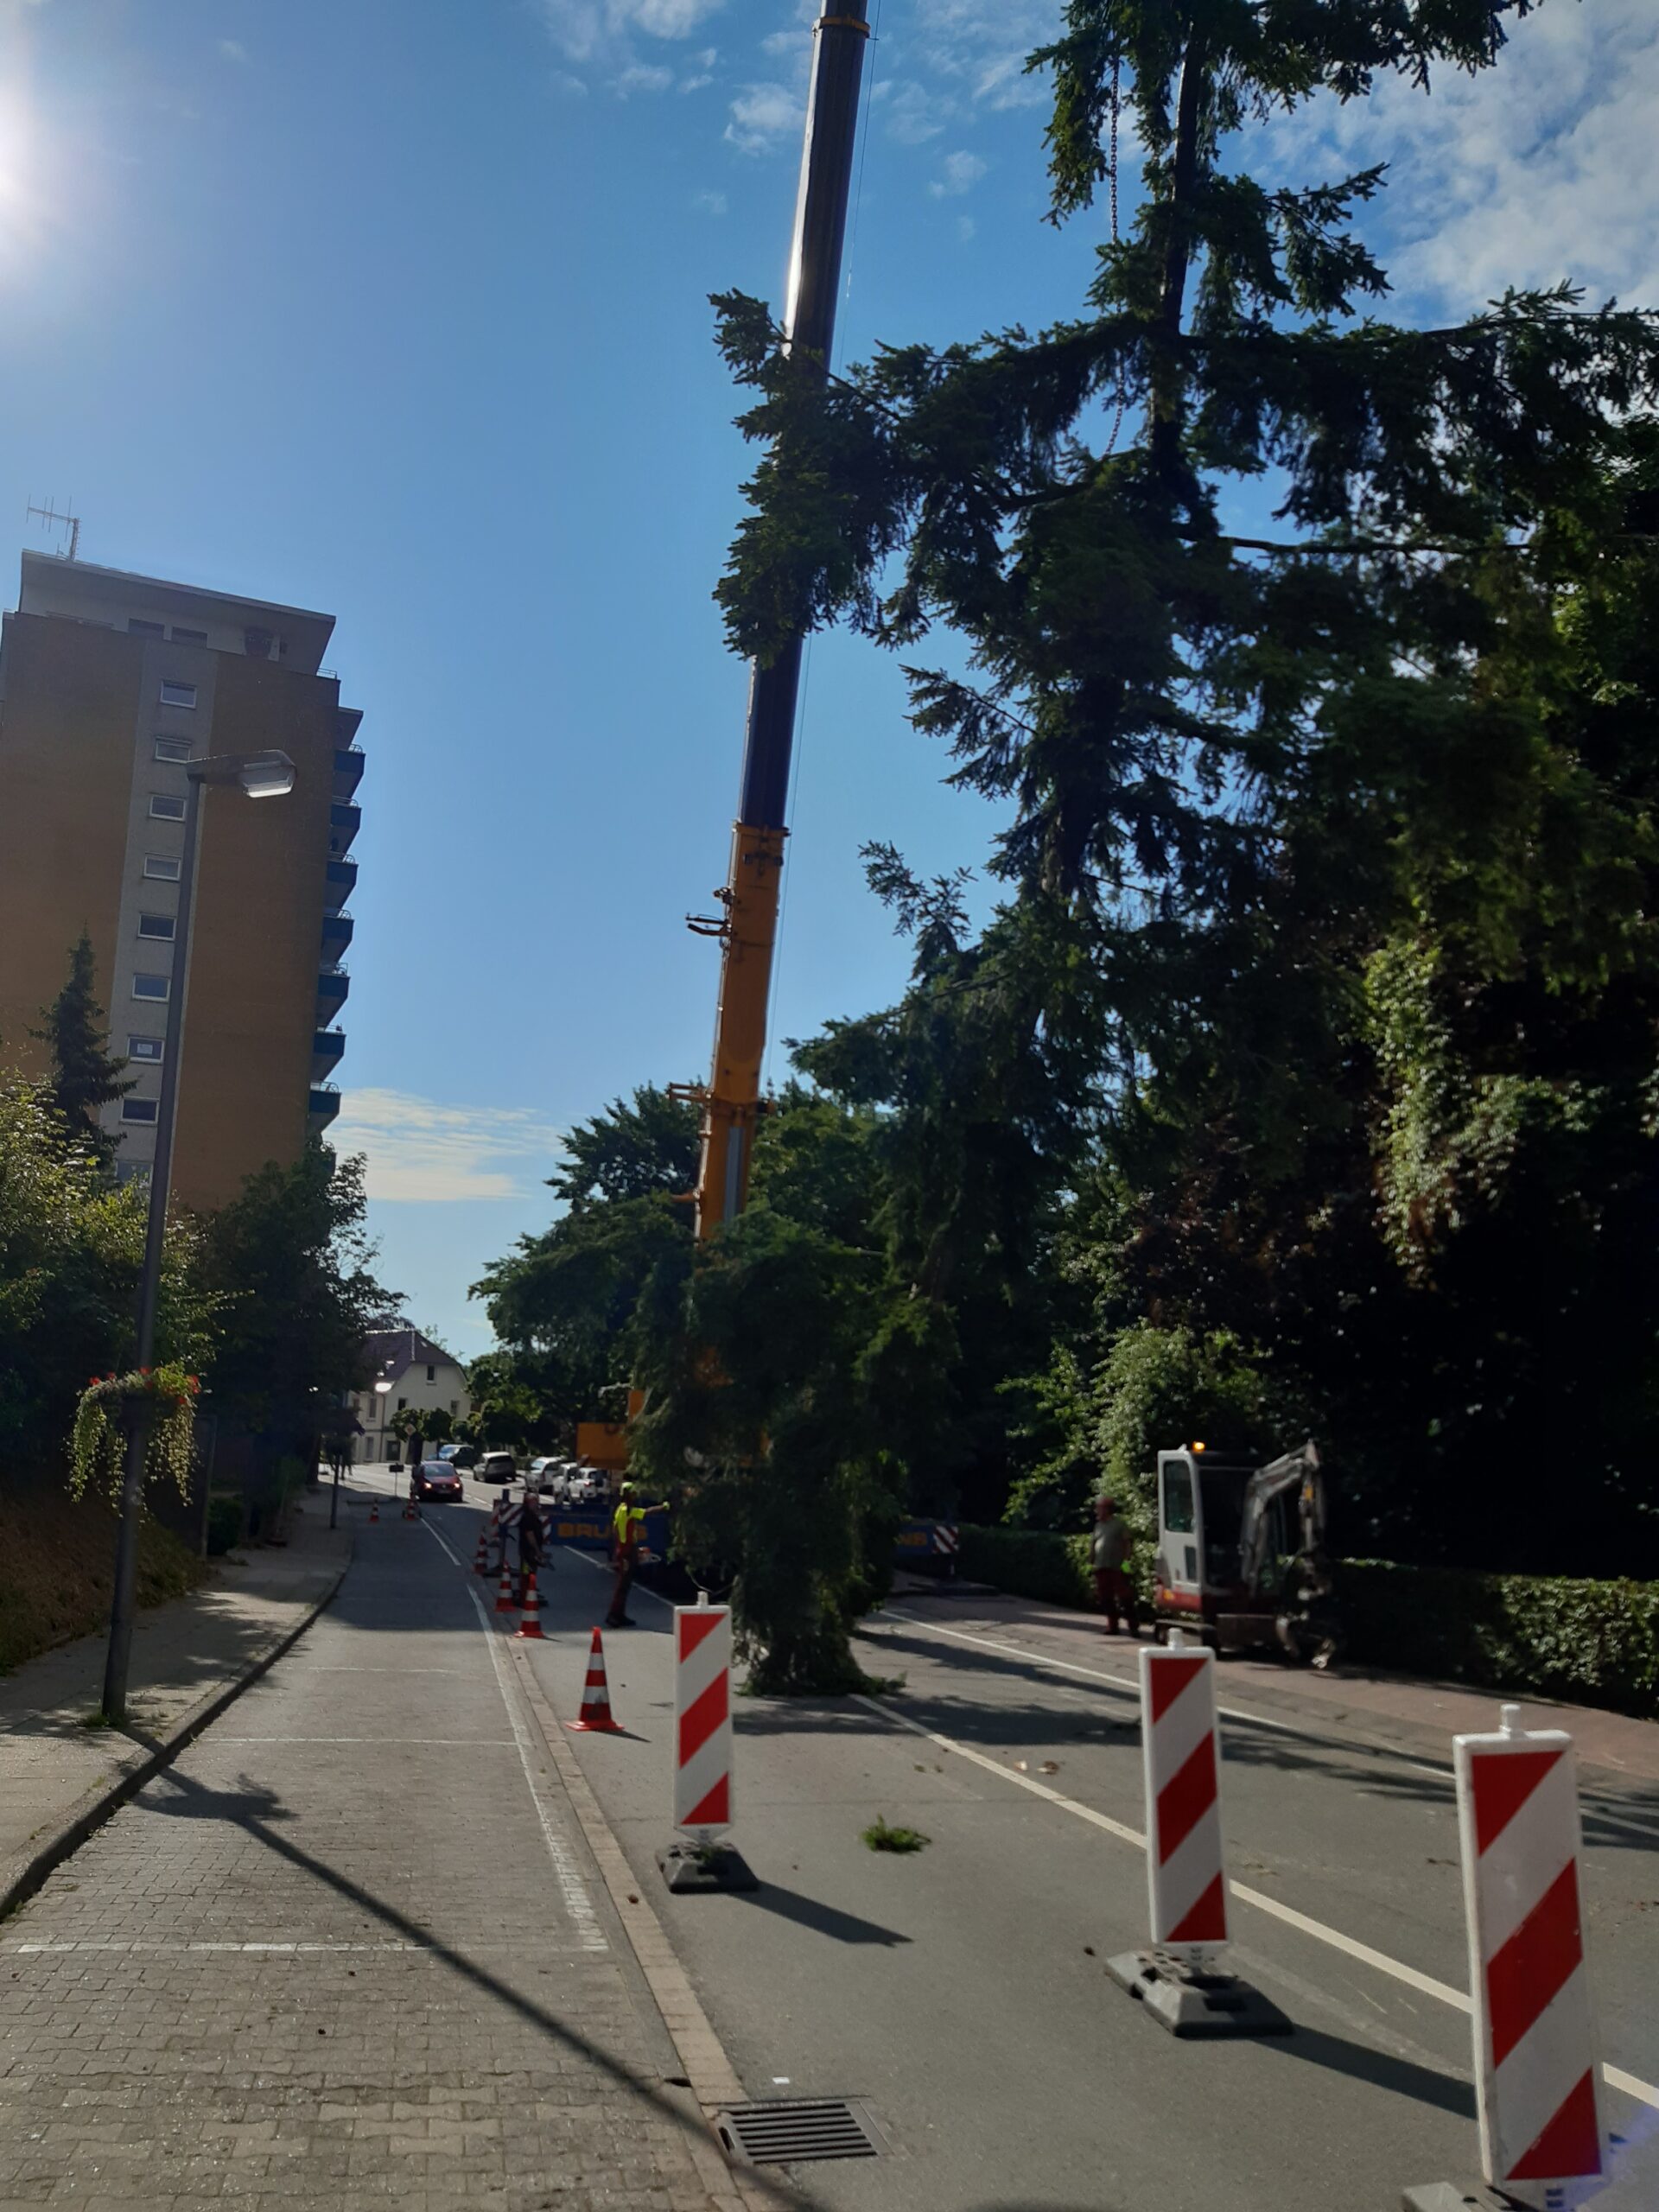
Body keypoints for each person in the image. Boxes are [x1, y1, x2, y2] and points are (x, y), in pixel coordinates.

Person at [604, 1482, 650, 1629]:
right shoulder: (627, 1510)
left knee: (626, 1585)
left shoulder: (621, 1509)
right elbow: (646, 1512)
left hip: (627, 1549)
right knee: (622, 1586)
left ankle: (620, 1615)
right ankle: (612, 1615)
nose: (635, 1496)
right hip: (625, 1551)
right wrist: (664, 1507)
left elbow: (617, 1531)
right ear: (628, 1494)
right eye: (633, 1493)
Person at [1092, 1496, 1137, 1637]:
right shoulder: (1098, 1525)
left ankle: (1133, 1626)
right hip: (1101, 1566)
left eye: (1099, 1508)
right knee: (1105, 1598)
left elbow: (1127, 1542)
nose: (1096, 1511)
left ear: (1107, 1509)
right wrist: (1091, 1562)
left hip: (1117, 1567)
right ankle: (1113, 1625)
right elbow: (1093, 1544)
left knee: (1125, 1597)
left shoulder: (1119, 1524)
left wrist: (1126, 1562)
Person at [518, 1486, 546, 1604]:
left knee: (530, 1573)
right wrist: (537, 1551)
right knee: (527, 1573)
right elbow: (530, 1535)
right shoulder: (528, 1518)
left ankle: (527, 1594)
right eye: (535, 1502)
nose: (537, 1504)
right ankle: (525, 1596)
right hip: (528, 1552)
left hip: (530, 1551)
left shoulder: (532, 1516)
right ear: (529, 1503)